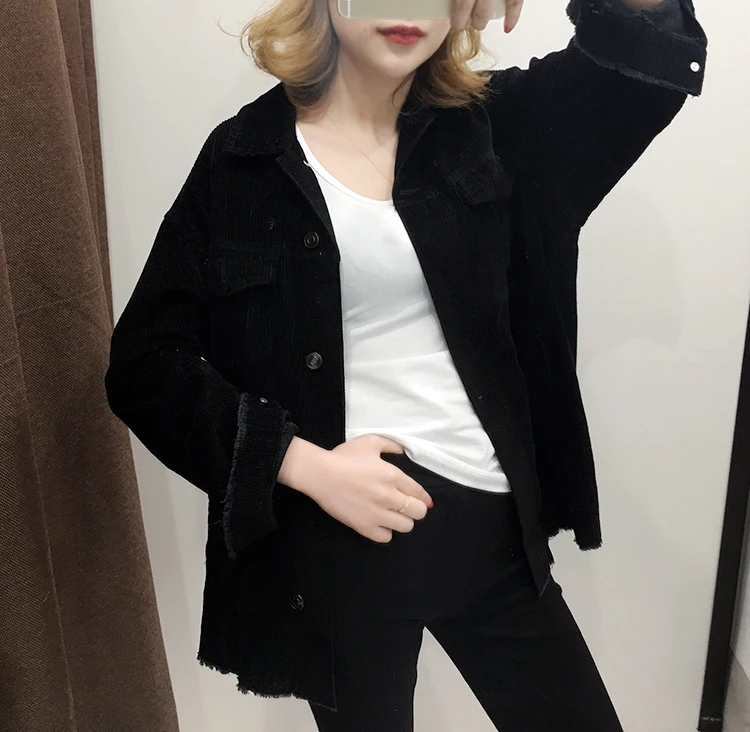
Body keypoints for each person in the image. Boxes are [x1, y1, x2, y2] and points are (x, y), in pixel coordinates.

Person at [105, 0, 707, 729]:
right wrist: (297, 463)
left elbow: (640, 66)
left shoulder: (496, 127)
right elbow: (145, 364)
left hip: (494, 535)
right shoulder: (245, 161)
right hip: (344, 545)